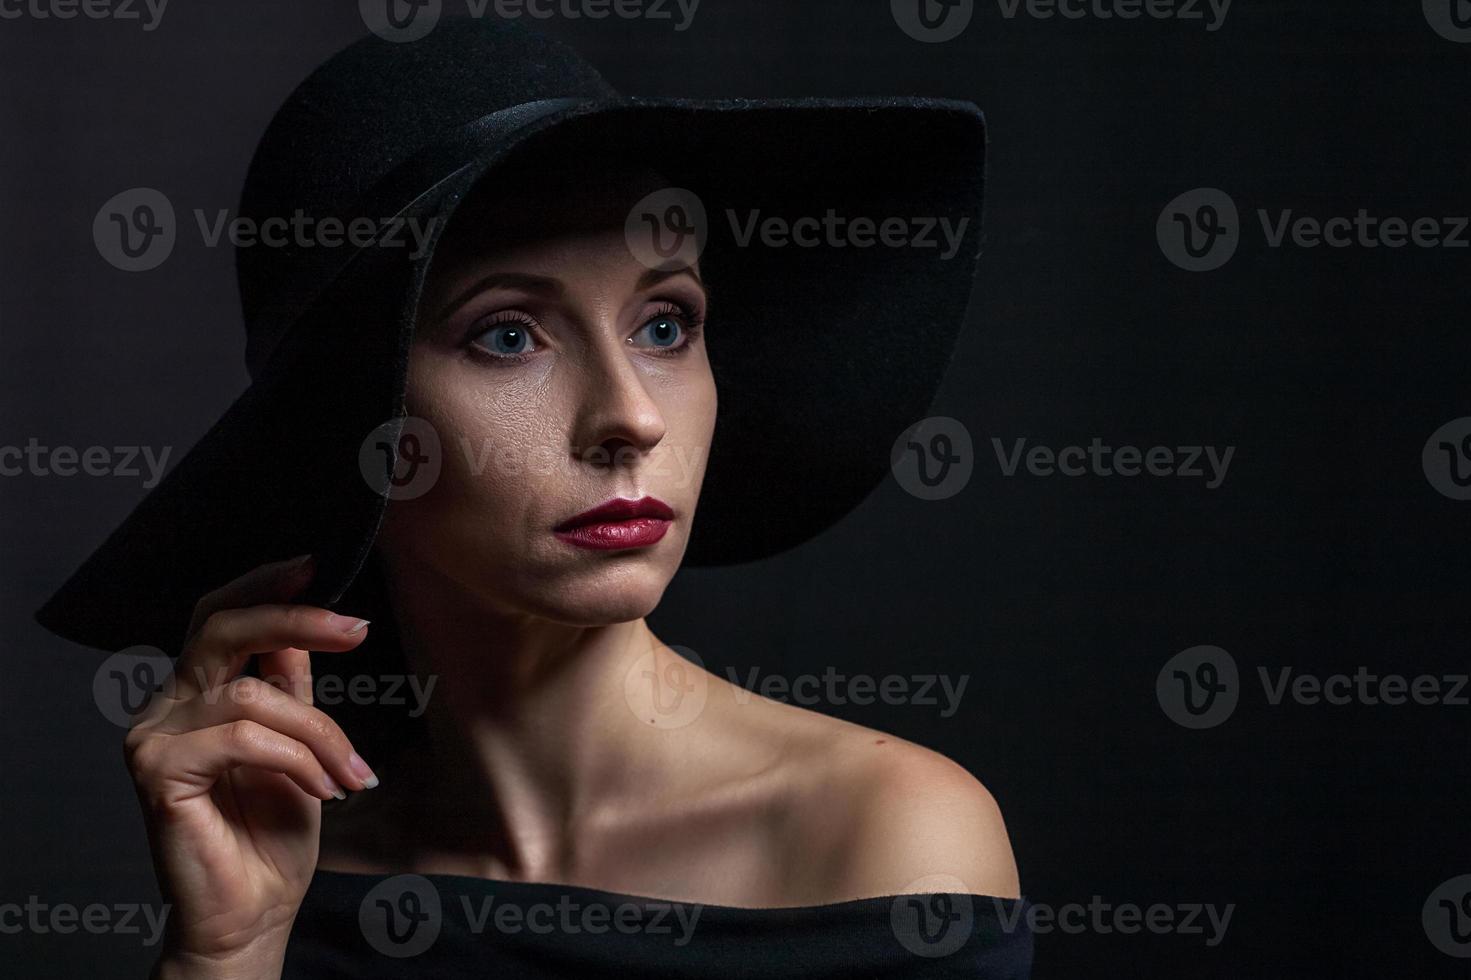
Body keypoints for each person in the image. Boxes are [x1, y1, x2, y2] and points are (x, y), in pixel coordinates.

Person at [38, 17, 1031, 979]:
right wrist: (225, 956)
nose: (630, 414)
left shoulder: (886, 836)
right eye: (508, 334)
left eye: (665, 323)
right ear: (357, 424)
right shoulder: (282, 874)